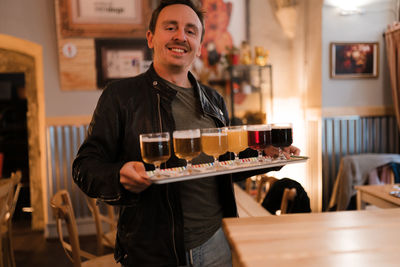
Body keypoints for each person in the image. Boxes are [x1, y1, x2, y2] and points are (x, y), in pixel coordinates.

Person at [72, 1, 300, 266]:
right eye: (171, 27)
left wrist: (264, 156)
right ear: (150, 38)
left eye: (191, 31)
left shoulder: (213, 99)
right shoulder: (121, 96)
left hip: (217, 241)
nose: (181, 36)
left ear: (199, 46)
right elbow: (84, 167)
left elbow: (221, 163)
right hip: (153, 251)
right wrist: (118, 175)